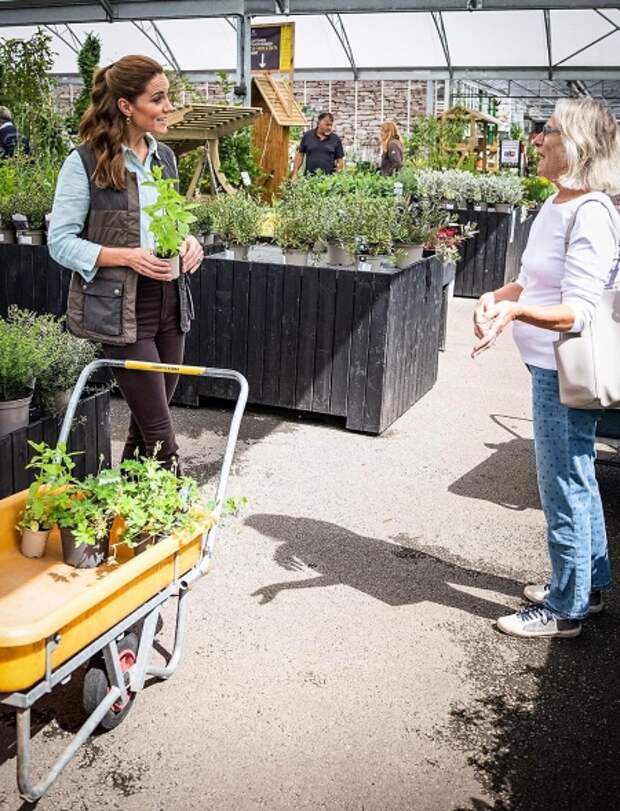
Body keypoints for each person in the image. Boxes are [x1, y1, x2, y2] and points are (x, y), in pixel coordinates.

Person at [472, 98, 620, 639]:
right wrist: (499, 295)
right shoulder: (558, 204)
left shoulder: (592, 213)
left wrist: (514, 311)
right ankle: (588, 584)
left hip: (564, 372)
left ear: (576, 146)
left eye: (548, 131)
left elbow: (578, 311)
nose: (537, 139)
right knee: (574, 476)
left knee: (564, 483)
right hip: (546, 366)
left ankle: (565, 607)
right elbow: (535, 283)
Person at [48, 55, 203, 469]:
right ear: (126, 106)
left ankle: (128, 527)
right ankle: (172, 520)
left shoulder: (164, 157)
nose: (169, 106)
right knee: (161, 437)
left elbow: (170, 220)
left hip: (171, 300)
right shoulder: (85, 162)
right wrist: (125, 256)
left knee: (145, 426)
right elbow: (60, 242)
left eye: (168, 96)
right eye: (158, 98)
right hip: (122, 310)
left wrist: (189, 241)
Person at [291, 112, 344, 178]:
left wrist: (338, 177)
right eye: (327, 125)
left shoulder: (335, 139)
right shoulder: (307, 136)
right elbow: (300, 155)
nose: (329, 128)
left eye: (331, 125)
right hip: (309, 179)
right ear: (318, 123)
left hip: (328, 181)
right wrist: (294, 173)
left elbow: (340, 160)